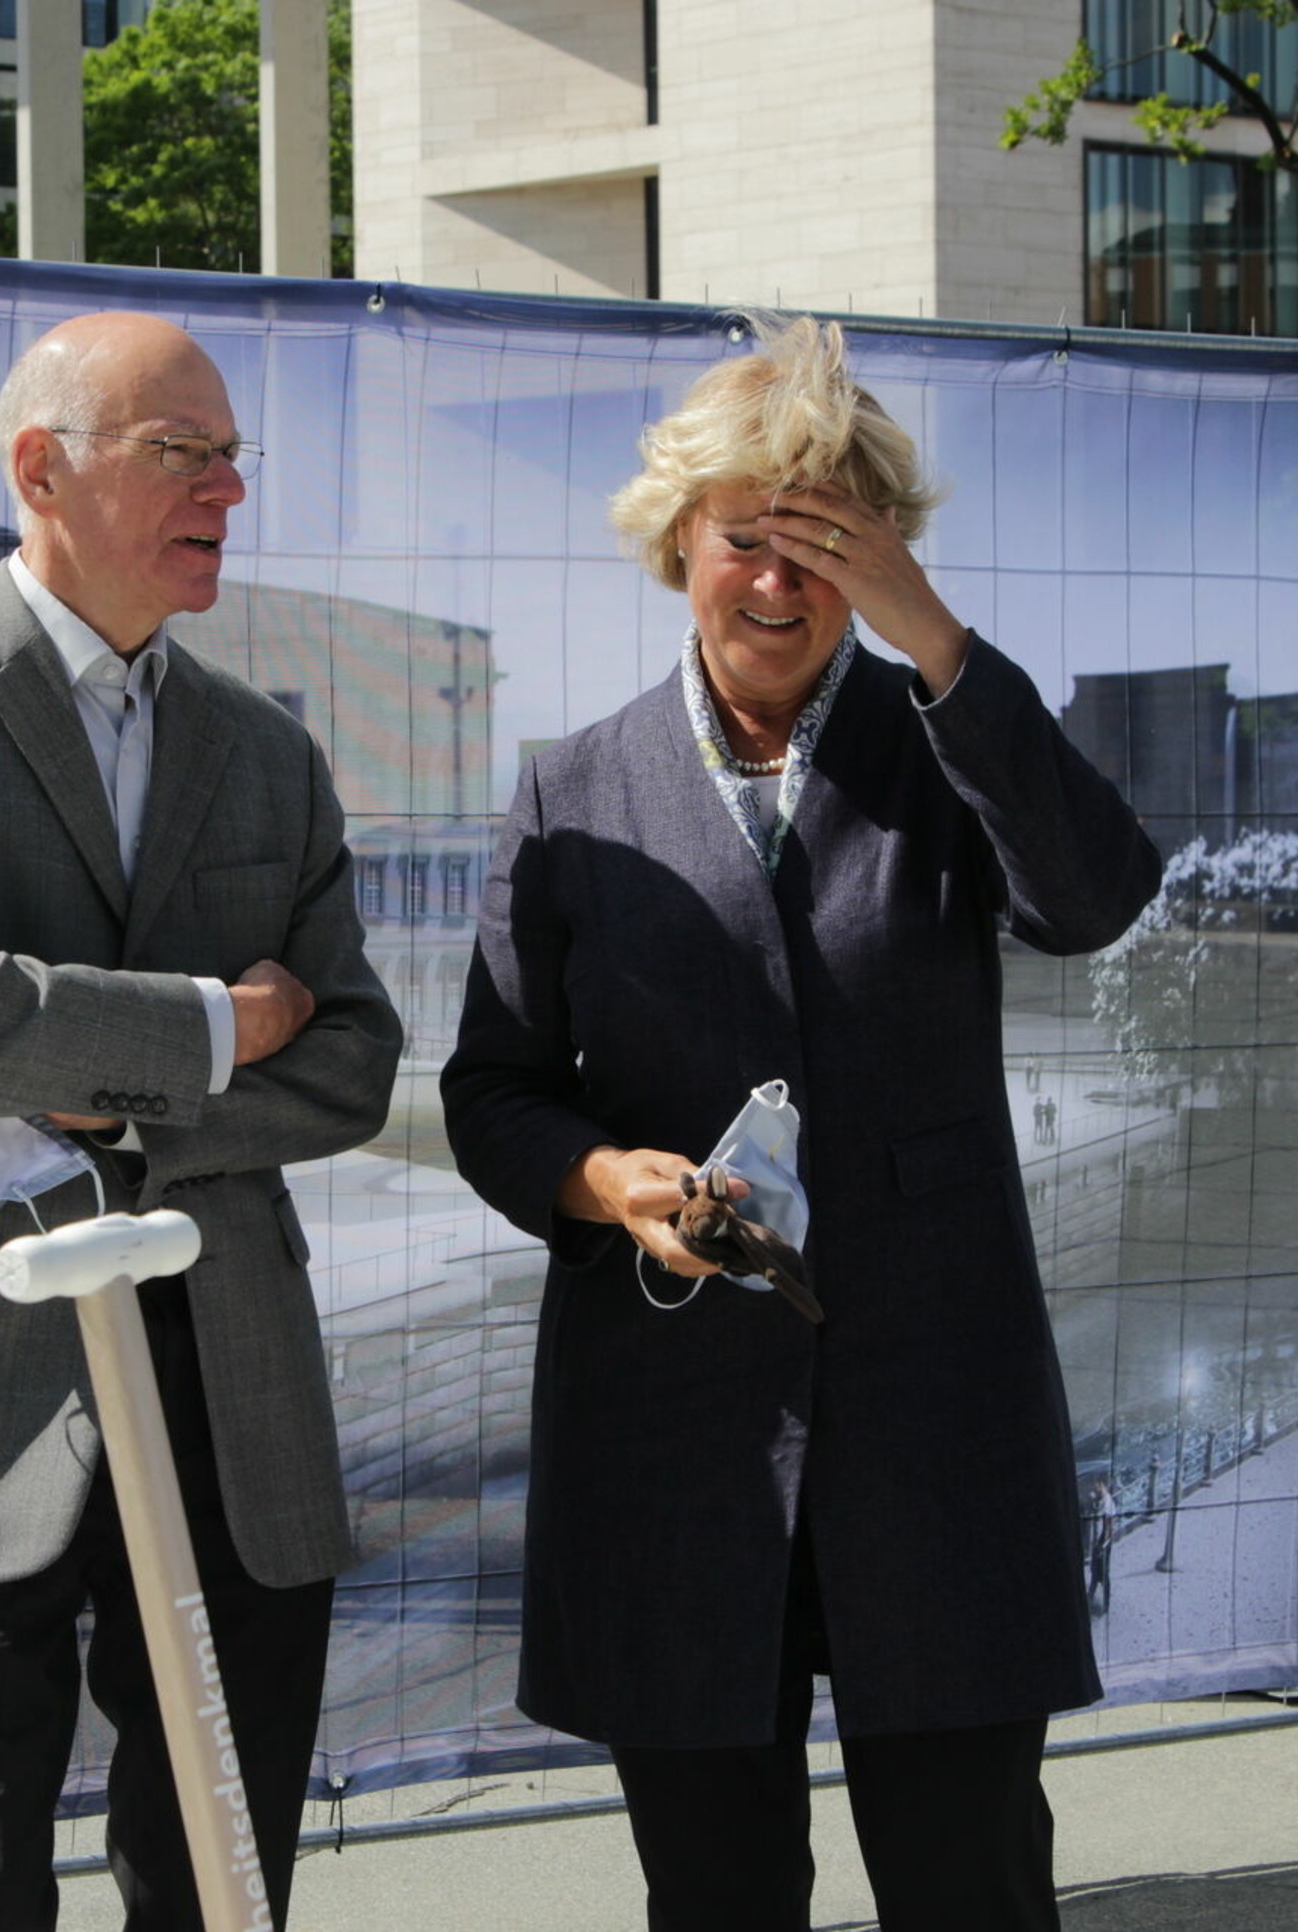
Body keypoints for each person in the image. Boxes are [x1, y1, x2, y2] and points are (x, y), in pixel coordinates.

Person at [441, 315, 1160, 1931]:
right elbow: (489, 1087)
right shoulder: (571, 788)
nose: (778, 583)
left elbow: (1096, 895)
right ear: (679, 540)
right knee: (717, 1892)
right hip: (674, 1439)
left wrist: (939, 641)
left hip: (935, 1427)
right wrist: (597, 1176)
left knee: (972, 1881)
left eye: (827, 544)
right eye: (746, 539)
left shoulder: (949, 746)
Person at [0, 310, 402, 1932]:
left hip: (231, 1377)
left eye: (233, 458)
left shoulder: (269, 754)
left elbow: (349, 1059)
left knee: (223, 1867)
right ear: (40, 468)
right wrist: (211, 1026)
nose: (226, 489)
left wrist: (83, 1081)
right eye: (180, 452)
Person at [1087, 1475, 1118, 1615]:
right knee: (1095, 1571)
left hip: (1102, 1545)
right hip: (1098, 1544)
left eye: (1097, 1485)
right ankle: (1090, 1596)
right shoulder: (1100, 1500)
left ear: (1102, 1485)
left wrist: (1101, 1546)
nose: (1095, 1488)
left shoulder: (1107, 1503)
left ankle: (1104, 1604)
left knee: (1103, 1573)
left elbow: (1107, 1527)